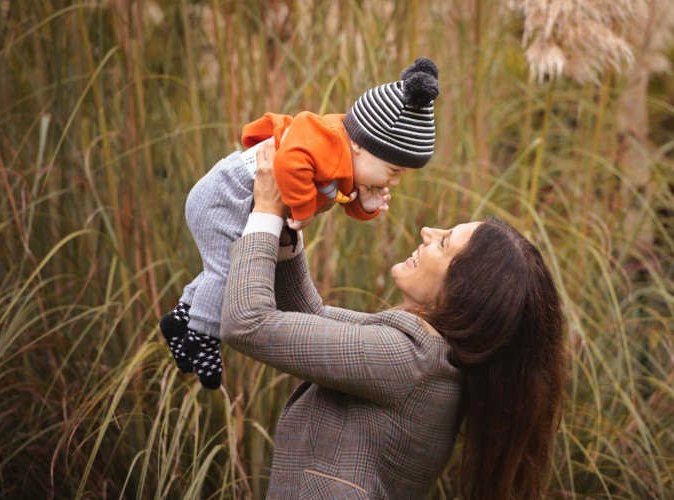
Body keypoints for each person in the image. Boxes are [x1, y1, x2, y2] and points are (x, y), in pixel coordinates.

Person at [219, 141, 568, 499]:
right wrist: (290, 221)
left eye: (444, 243)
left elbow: (248, 322)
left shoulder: (408, 359)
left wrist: (267, 210)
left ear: (465, 292)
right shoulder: (427, 354)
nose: (428, 232)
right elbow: (308, 319)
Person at [160, 57, 440, 389]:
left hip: (234, 202)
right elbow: (290, 164)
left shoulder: (351, 161)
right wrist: (303, 209)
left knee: (219, 268)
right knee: (225, 270)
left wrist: (366, 204)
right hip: (224, 195)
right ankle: (203, 336)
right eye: (394, 171)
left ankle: (182, 318)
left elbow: (339, 198)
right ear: (361, 144)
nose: (394, 181)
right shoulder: (327, 141)